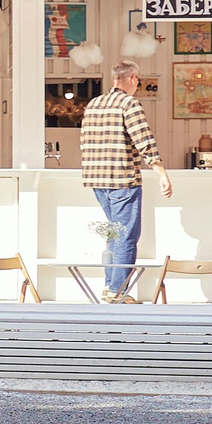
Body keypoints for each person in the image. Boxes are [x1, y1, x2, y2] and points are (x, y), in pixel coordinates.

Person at [78, 61, 173, 303]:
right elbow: (143, 139)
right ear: (132, 78)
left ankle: (110, 286)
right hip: (122, 178)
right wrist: (160, 171)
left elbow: (84, 142)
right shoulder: (129, 104)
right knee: (126, 235)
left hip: (97, 179)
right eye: (138, 80)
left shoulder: (93, 104)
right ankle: (117, 291)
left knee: (113, 233)